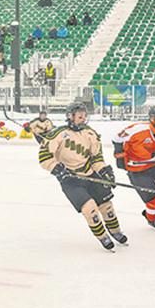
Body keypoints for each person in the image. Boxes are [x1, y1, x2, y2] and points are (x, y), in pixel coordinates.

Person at [39, 102, 126, 251]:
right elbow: (44, 156)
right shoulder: (57, 134)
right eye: (79, 115)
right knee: (89, 208)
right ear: (70, 116)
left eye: (84, 115)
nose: (83, 118)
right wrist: (58, 169)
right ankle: (102, 236)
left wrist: (105, 171)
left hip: (90, 175)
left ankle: (115, 231)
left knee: (106, 205)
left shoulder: (90, 133)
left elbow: (96, 158)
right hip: (71, 180)